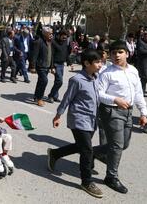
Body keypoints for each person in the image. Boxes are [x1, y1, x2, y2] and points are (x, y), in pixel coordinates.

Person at [93, 40, 147, 194]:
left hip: (128, 112)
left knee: (123, 145)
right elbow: (99, 93)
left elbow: (138, 93)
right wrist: (115, 99)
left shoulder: (133, 71)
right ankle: (111, 177)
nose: (116, 55)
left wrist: (144, 113)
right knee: (117, 146)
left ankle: (92, 152)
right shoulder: (106, 73)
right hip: (111, 112)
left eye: (120, 52)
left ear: (127, 53)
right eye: (113, 52)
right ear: (109, 55)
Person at [47, 49, 103, 198]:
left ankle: (55, 153)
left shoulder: (96, 78)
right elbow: (67, 98)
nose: (100, 65)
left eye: (100, 61)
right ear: (86, 63)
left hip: (92, 120)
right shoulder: (77, 80)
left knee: (81, 146)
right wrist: (58, 115)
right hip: (79, 120)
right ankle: (86, 181)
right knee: (87, 150)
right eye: (97, 62)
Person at [30, 26, 54, 106]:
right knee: (44, 81)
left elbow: (51, 55)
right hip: (40, 66)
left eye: (52, 33)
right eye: (49, 33)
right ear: (45, 34)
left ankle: (36, 97)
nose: (51, 35)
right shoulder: (39, 42)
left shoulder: (50, 42)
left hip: (47, 66)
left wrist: (52, 66)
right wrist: (32, 67)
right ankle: (39, 98)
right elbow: (34, 55)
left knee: (40, 81)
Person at [48, 30, 70, 103]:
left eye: (66, 36)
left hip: (62, 64)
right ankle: (51, 95)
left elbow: (66, 53)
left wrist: (69, 62)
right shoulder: (54, 43)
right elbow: (52, 56)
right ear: (59, 35)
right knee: (59, 81)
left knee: (57, 81)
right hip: (56, 64)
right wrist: (52, 67)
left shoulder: (65, 43)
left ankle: (55, 96)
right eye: (63, 36)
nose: (65, 37)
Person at [136, 31, 147, 97]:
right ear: (144, 37)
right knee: (145, 77)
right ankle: (141, 91)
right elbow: (141, 51)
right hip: (144, 63)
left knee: (145, 78)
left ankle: (142, 91)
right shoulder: (141, 43)